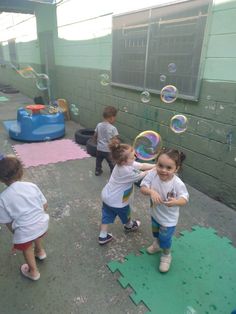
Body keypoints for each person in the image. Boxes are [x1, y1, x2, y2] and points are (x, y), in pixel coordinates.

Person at [0, 154, 49, 281]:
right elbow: (45, 204)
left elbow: (7, 221)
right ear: (21, 172)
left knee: (27, 246)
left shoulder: (3, 198)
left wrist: (16, 233)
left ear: (1, 180)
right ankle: (40, 252)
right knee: (35, 234)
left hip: (25, 231)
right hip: (42, 224)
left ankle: (33, 272)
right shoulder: (31, 186)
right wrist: (36, 216)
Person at [140, 148, 189, 273]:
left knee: (165, 239)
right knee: (156, 233)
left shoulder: (177, 183)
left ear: (176, 169)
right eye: (160, 165)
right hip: (155, 214)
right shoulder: (153, 174)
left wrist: (175, 202)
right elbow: (143, 187)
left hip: (168, 220)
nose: (163, 170)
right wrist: (151, 191)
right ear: (156, 163)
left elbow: (185, 198)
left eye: (169, 168)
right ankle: (156, 244)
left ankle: (166, 255)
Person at [98, 138, 155, 245]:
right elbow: (142, 173)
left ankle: (102, 236)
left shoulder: (124, 164)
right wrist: (154, 169)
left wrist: (155, 166)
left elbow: (142, 166)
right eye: (132, 156)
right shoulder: (126, 171)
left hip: (107, 196)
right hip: (118, 201)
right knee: (125, 214)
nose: (135, 157)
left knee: (106, 215)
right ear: (124, 161)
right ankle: (129, 225)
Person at [94, 106, 119, 176]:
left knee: (98, 161)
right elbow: (115, 140)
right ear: (111, 118)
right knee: (111, 162)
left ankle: (97, 171)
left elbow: (95, 135)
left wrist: (95, 142)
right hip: (108, 150)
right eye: (115, 117)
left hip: (99, 148)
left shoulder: (98, 125)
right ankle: (113, 173)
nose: (115, 119)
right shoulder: (113, 128)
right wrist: (117, 146)